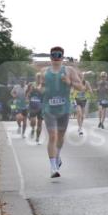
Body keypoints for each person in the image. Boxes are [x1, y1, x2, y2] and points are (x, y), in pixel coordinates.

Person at [37, 47, 86, 178]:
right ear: (50, 57)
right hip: (49, 108)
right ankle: (53, 167)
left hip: (64, 108)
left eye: (59, 55)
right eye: (54, 55)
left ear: (62, 57)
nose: (56, 57)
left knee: (60, 136)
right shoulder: (44, 71)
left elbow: (81, 87)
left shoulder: (69, 70)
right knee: (52, 136)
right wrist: (41, 89)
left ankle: (57, 156)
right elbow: (40, 87)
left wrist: (69, 82)